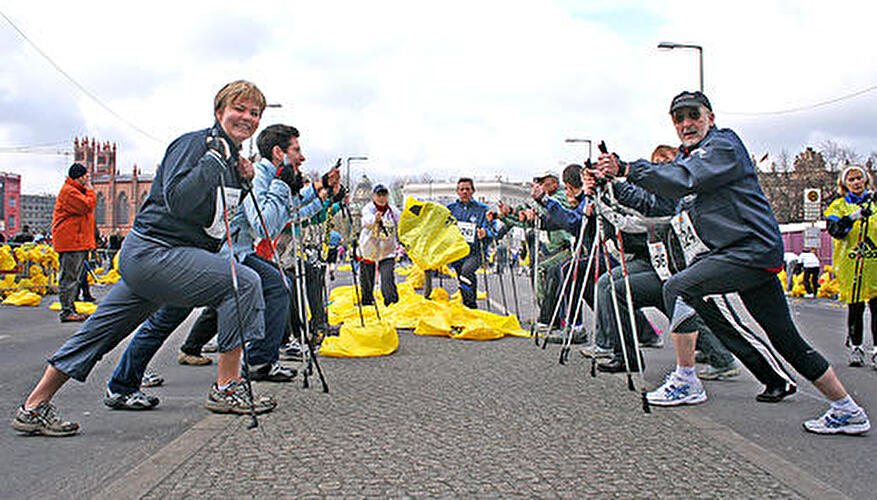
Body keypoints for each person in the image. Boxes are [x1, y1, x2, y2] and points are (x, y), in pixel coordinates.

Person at [11, 80, 276, 436]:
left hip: (165, 259)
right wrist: (214, 162)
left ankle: (33, 406)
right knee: (242, 282)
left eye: (253, 112)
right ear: (219, 112)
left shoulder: (232, 159)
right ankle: (227, 387)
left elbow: (215, 216)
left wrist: (243, 181)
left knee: (98, 332)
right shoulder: (195, 146)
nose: (246, 117)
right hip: (156, 252)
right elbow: (179, 200)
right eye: (239, 109)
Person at [598, 90, 869, 435]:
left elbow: (684, 178)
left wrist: (627, 167)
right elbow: (660, 201)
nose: (686, 124)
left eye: (693, 115)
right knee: (786, 340)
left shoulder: (722, 147)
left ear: (710, 116)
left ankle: (686, 380)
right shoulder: (692, 158)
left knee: (678, 288)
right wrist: (613, 182)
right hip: (741, 255)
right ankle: (847, 408)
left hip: (749, 251)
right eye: (678, 119)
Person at [824, 165, 875, 368]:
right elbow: (835, 231)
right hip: (851, 264)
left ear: (866, 180)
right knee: (856, 307)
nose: (856, 183)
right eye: (851, 180)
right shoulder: (838, 206)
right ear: (844, 184)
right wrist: (851, 219)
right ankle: (857, 347)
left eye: (858, 178)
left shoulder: (875, 203)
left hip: (874, 263)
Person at [51, 164, 96, 322]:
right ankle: (67, 311)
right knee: (69, 277)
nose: (88, 179)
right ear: (79, 177)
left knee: (74, 277)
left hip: (77, 241)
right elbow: (87, 206)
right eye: (86, 176)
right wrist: (90, 190)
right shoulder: (69, 191)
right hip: (71, 241)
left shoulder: (75, 191)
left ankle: (70, 308)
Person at [447, 178, 493, 309]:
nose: (464, 192)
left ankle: (470, 305)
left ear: (473, 191)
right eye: (461, 189)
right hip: (457, 252)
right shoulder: (451, 209)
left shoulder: (482, 209)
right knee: (463, 278)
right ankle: (469, 304)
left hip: (475, 252)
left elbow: (492, 228)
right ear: (457, 192)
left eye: (467, 189)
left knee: (466, 272)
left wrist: (485, 233)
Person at [358, 184, 400, 307]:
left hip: (387, 251)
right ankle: (367, 303)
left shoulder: (393, 211)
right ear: (373, 196)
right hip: (368, 249)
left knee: (387, 279)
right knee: (367, 280)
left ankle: (392, 303)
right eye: (379, 195)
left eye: (384, 195)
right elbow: (365, 221)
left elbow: (402, 222)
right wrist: (374, 220)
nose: (381, 198)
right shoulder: (368, 208)